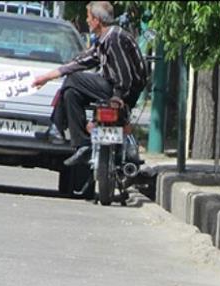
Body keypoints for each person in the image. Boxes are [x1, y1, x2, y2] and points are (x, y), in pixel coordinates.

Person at [32, 1, 147, 167]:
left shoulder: (114, 37)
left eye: (88, 17)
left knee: (73, 79)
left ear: (97, 20)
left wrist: (118, 96)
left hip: (124, 92)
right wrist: (45, 78)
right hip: (113, 88)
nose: (86, 21)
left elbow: (125, 76)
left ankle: (57, 126)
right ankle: (83, 144)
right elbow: (80, 62)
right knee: (71, 92)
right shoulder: (103, 39)